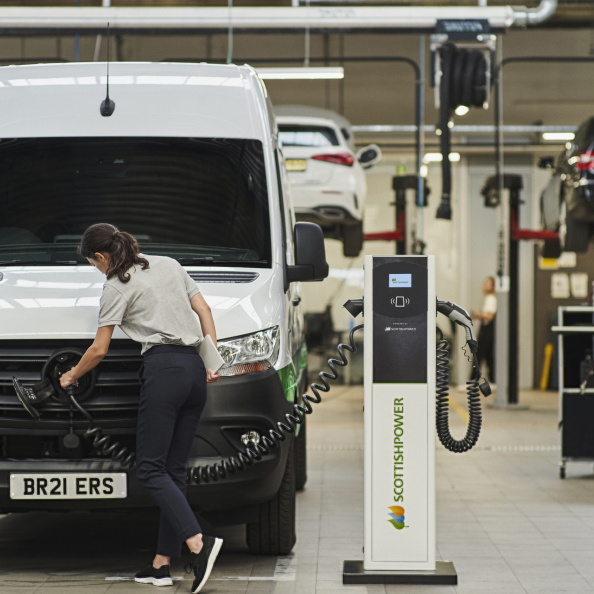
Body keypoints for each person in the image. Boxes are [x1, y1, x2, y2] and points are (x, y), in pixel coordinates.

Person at [59, 223, 222, 593]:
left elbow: (99, 349)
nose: (97, 270)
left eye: (93, 264)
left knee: (149, 470)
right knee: (173, 472)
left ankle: (199, 543)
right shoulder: (167, 263)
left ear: (101, 257)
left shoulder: (116, 286)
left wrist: (71, 375)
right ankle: (161, 565)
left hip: (163, 370)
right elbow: (204, 309)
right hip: (196, 370)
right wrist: (213, 359)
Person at [472, 276, 497, 383]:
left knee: (478, 356)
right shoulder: (489, 298)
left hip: (487, 331)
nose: (485, 286)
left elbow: (490, 316)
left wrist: (479, 315)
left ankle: (472, 380)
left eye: (488, 284)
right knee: (489, 357)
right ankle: (494, 381)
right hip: (488, 331)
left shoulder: (491, 299)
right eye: (485, 283)